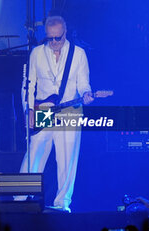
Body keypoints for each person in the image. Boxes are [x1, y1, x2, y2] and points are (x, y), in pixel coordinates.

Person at [19, 15, 94, 212]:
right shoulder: (36, 53)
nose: (53, 43)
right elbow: (28, 85)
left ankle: (62, 204)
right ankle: (21, 199)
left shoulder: (78, 54)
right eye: (49, 38)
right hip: (43, 111)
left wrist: (86, 93)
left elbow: (83, 82)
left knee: (67, 160)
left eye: (57, 38)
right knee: (33, 155)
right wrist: (29, 111)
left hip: (69, 112)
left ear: (65, 33)